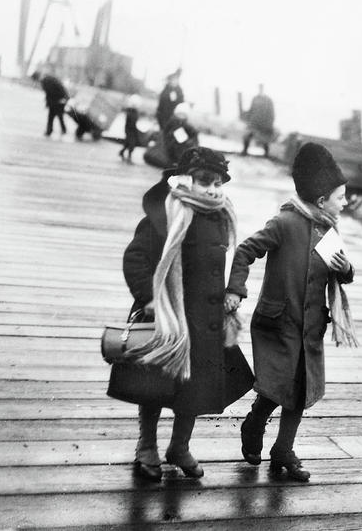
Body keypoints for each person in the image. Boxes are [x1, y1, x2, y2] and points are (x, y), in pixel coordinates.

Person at [225, 142, 358, 482]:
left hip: (310, 325)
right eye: (341, 197)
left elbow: (341, 273)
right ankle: (255, 421)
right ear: (321, 200)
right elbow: (245, 251)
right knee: (276, 385)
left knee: (299, 390)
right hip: (279, 322)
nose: (345, 203)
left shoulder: (329, 230)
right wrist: (236, 289)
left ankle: (284, 448)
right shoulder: (284, 223)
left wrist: (345, 269)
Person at [122, 146, 253, 481]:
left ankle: (179, 446)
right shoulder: (169, 214)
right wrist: (149, 299)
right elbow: (136, 258)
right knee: (153, 385)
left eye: (218, 183)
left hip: (204, 323)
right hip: (169, 318)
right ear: (186, 181)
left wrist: (232, 291)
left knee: (194, 390)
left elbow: (229, 262)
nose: (212, 189)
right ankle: (146, 446)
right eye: (204, 181)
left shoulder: (222, 216)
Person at [241, 84, 275, 156]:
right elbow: (251, 109)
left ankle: (266, 154)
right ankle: (245, 151)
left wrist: (269, 125)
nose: (260, 90)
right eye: (260, 88)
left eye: (262, 88)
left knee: (264, 140)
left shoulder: (268, 100)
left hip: (264, 124)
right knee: (247, 136)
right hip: (254, 123)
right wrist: (246, 115)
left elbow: (271, 113)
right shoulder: (255, 98)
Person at [34, 71, 69, 136]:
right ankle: (59, 130)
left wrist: (63, 99)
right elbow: (59, 88)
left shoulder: (46, 81)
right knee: (57, 116)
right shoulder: (48, 79)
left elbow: (51, 93)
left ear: (37, 78)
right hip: (58, 101)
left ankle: (51, 131)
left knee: (54, 116)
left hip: (57, 101)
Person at [119, 94, 142, 161]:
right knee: (131, 142)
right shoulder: (130, 112)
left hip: (131, 129)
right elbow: (131, 122)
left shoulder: (134, 112)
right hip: (129, 129)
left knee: (128, 142)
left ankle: (123, 152)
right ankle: (129, 154)